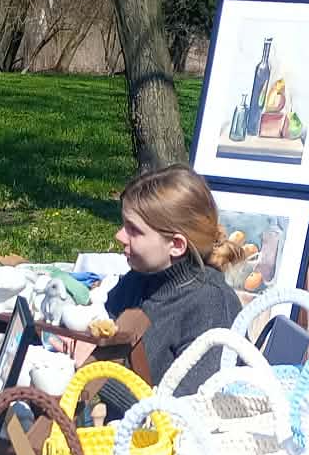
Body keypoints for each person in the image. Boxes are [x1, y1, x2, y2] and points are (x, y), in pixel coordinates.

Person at [67, 166, 247, 395]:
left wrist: (94, 372)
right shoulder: (140, 279)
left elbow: (187, 410)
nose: (119, 235)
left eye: (134, 230)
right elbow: (103, 327)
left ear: (176, 245)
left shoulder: (212, 307)